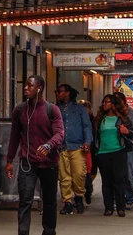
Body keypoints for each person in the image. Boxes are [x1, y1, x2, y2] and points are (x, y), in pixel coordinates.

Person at [6, 75, 64, 235]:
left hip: (49, 163)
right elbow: (14, 137)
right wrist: (9, 160)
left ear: (39, 89)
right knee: (25, 200)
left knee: (50, 201)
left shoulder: (51, 109)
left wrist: (48, 145)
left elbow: (60, 133)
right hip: (27, 163)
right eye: (25, 85)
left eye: (30, 86)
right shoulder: (19, 110)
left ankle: (49, 231)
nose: (26, 88)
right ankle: (23, 232)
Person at [95, 94, 133, 217]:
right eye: (103, 102)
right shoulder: (100, 119)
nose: (104, 104)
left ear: (113, 104)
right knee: (106, 181)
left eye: (107, 102)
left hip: (118, 151)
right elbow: (95, 135)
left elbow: (132, 133)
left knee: (118, 180)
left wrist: (126, 132)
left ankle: (120, 207)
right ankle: (108, 207)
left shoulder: (122, 119)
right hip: (103, 152)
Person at [55, 84, 92, 214]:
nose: (57, 93)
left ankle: (79, 197)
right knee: (64, 176)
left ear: (67, 93)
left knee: (79, 174)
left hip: (78, 147)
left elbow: (87, 126)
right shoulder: (56, 109)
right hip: (61, 147)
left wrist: (87, 142)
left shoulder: (80, 109)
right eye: (57, 91)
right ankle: (67, 202)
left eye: (59, 91)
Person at [114, 91, 133, 210]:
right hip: (114, 147)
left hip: (129, 148)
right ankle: (118, 198)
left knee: (128, 173)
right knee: (115, 174)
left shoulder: (132, 114)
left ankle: (129, 197)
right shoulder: (110, 114)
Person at [78, 100, 97, 205]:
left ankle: (88, 187)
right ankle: (83, 189)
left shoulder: (94, 121)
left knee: (91, 171)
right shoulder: (76, 121)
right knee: (81, 172)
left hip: (91, 148)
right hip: (79, 148)